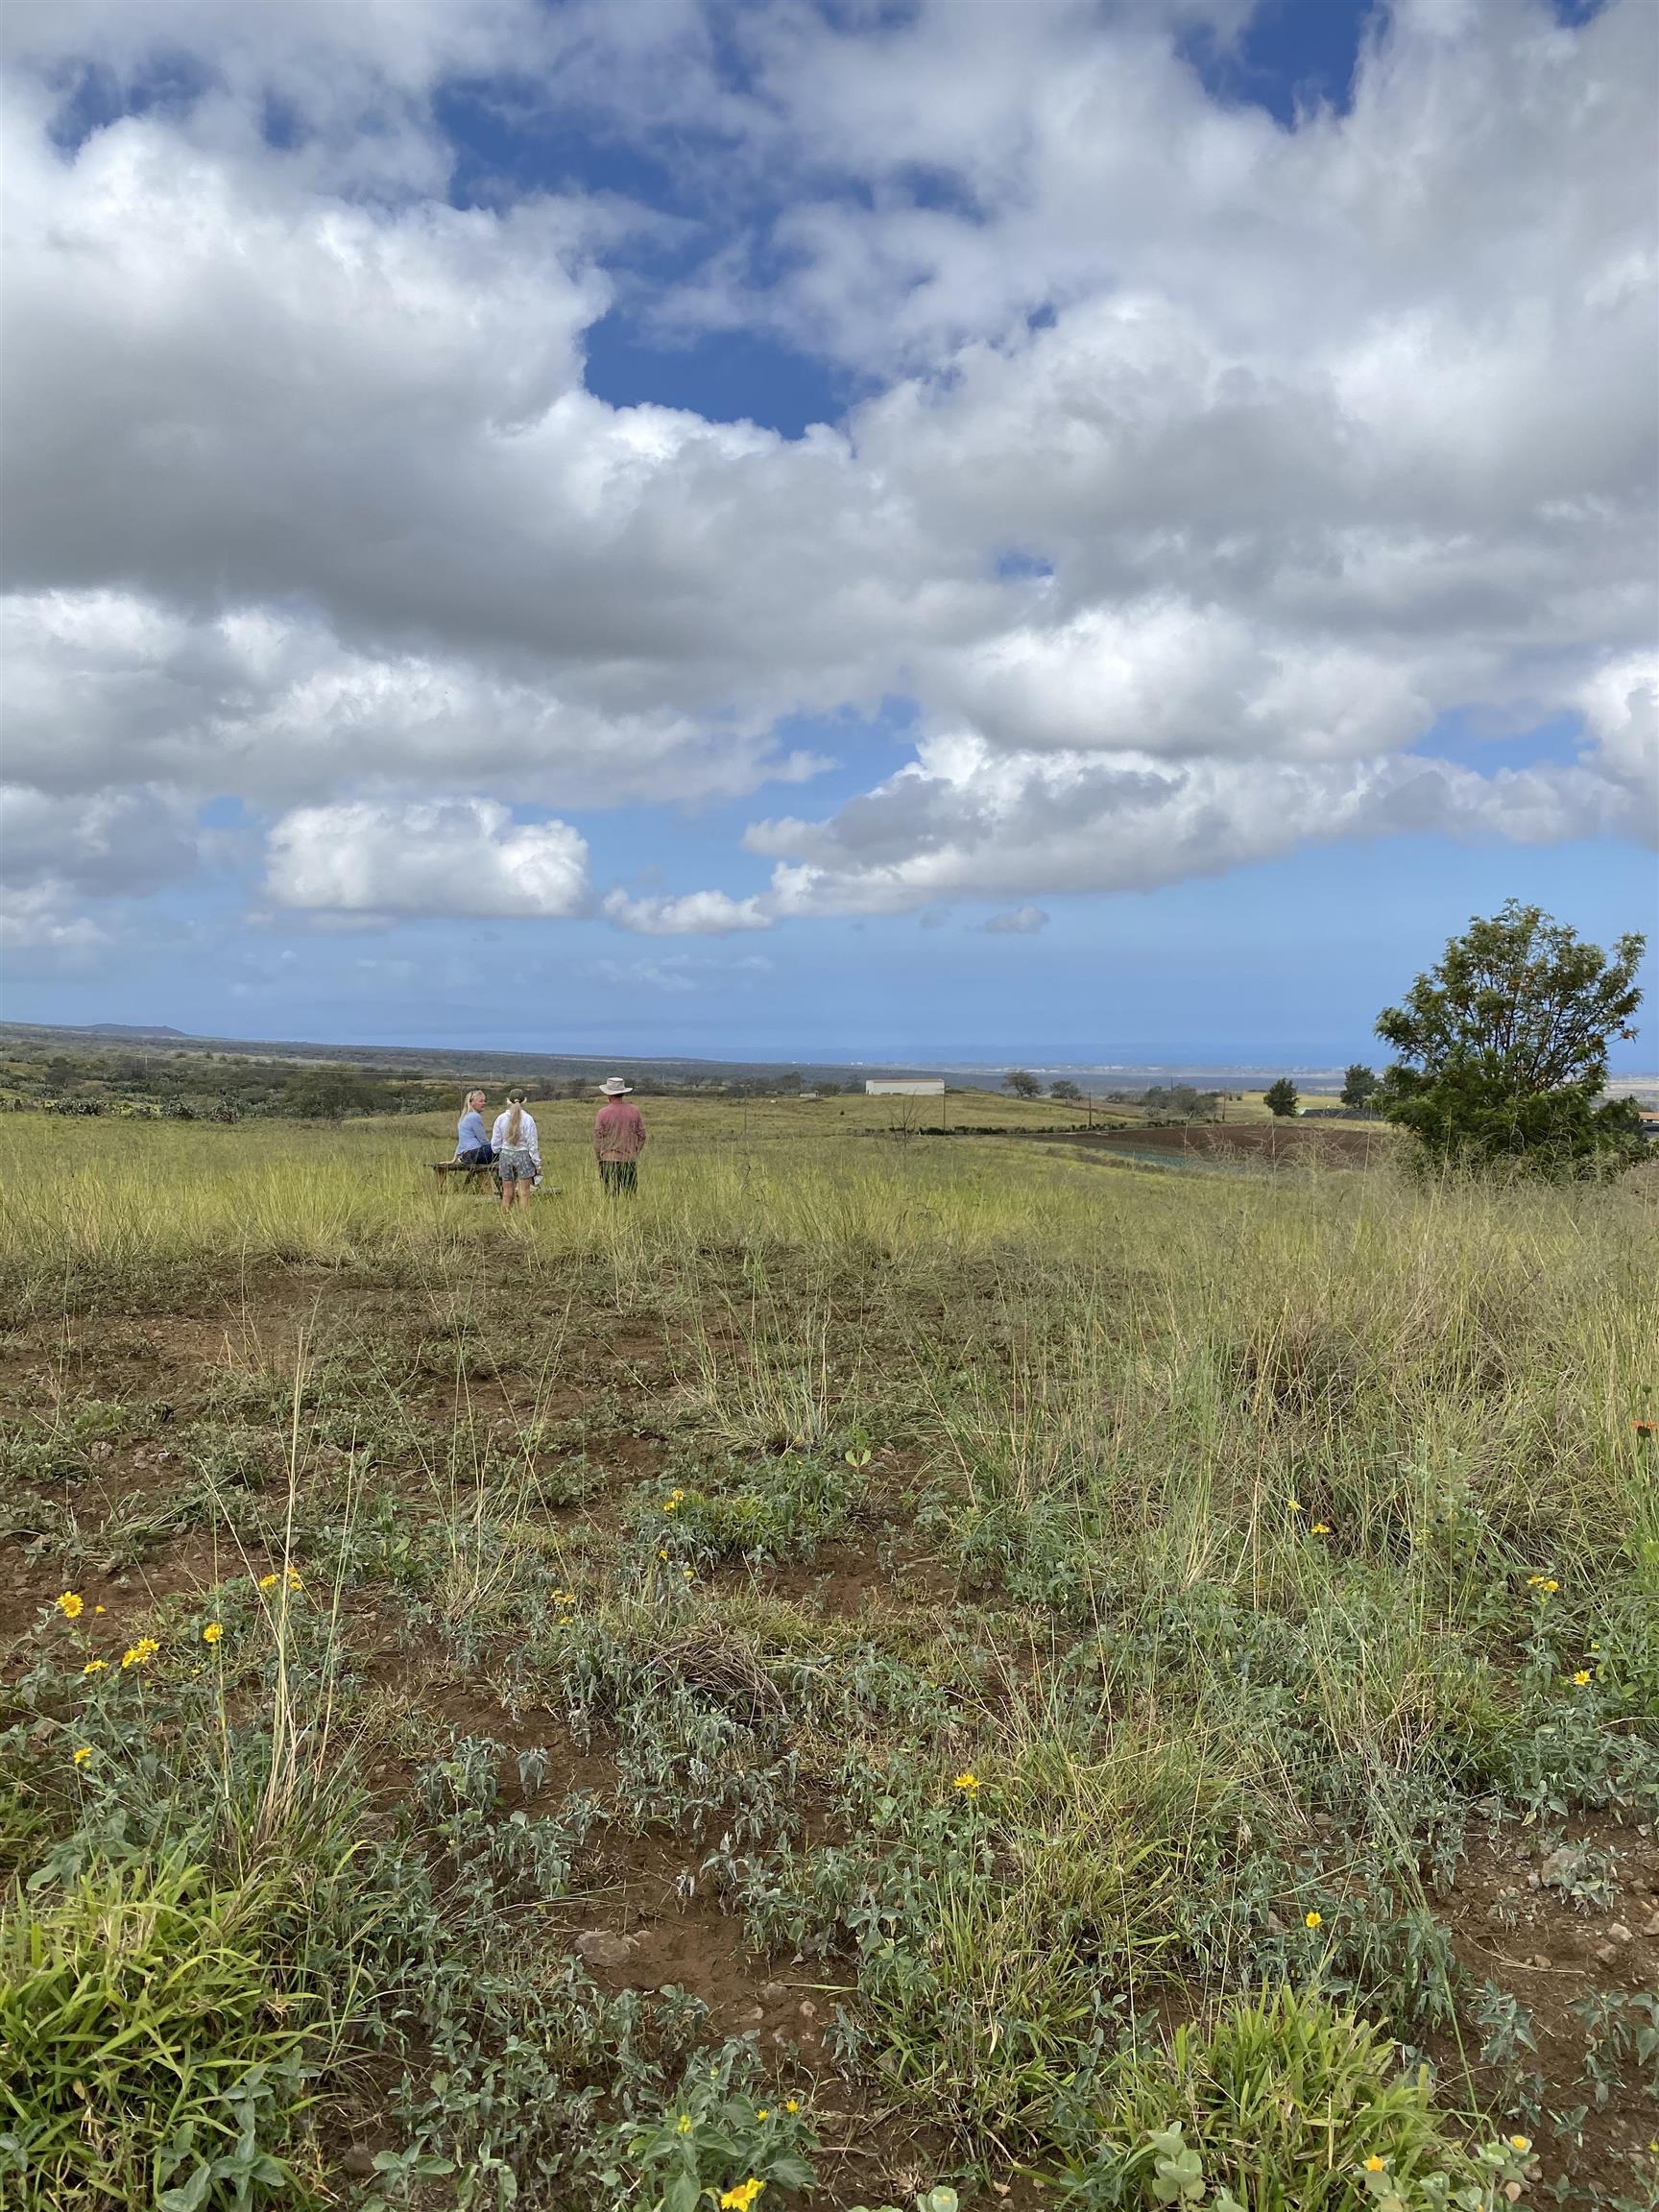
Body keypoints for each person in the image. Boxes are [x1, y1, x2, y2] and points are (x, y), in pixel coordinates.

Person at [593, 1076, 646, 1195]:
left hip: (608, 1160)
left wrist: (599, 1157)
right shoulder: (634, 1110)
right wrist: (635, 1152)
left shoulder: (603, 1113)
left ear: (609, 1094)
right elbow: (642, 1136)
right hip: (629, 1160)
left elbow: (597, 1139)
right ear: (623, 1093)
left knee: (611, 1197)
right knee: (630, 1196)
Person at [492, 1088, 539, 1212]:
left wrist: (499, 1151)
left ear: (508, 1101)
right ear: (524, 1101)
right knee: (524, 1192)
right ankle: (523, 1221)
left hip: (505, 1155)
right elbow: (532, 1144)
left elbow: (495, 1144)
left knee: (507, 1192)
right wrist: (537, 1163)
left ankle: (504, 1219)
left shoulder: (500, 1118)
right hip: (523, 1156)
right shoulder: (528, 1119)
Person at [454, 1090, 493, 1166]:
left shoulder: (464, 1117)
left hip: (464, 1155)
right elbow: (484, 1141)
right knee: (502, 1148)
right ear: (472, 1103)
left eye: (484, 1101)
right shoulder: (474, 1116)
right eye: (481, 1101)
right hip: (473, 1153)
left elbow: (461, 1142)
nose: (484, 1103)